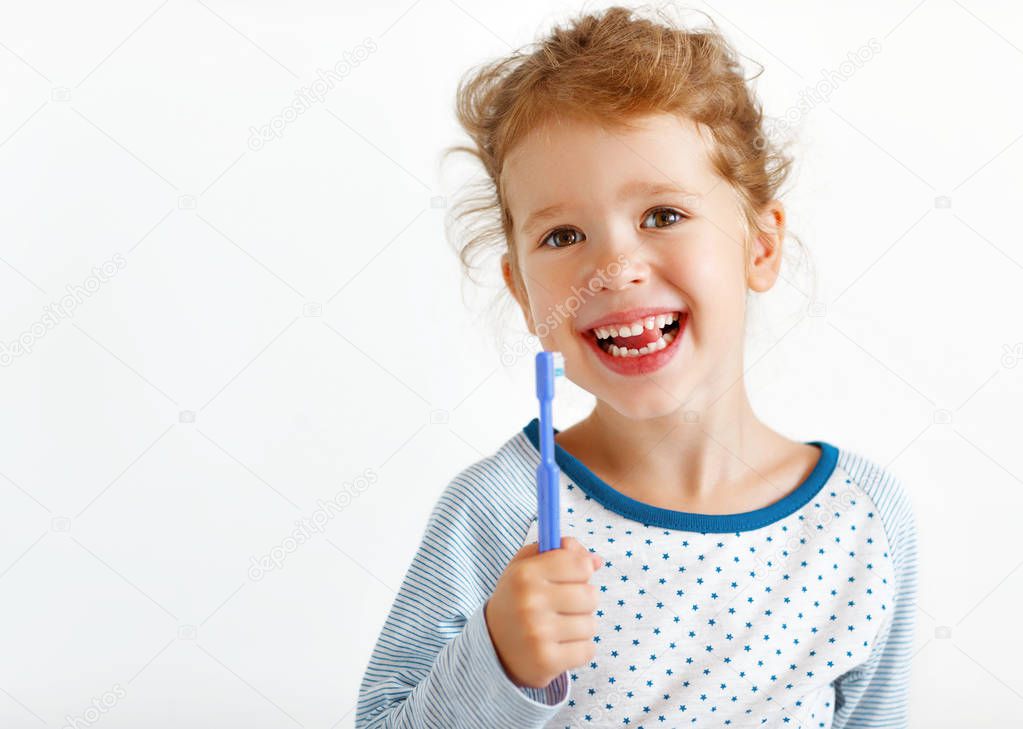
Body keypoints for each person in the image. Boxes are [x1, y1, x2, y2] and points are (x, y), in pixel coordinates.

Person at [356, 5, 918, 727]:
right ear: (523, 294)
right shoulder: (496, 511)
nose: (615, 270)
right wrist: (498, 660)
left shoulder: (862, 519)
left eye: (661, 215)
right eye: (563, 235)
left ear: (759, 246)